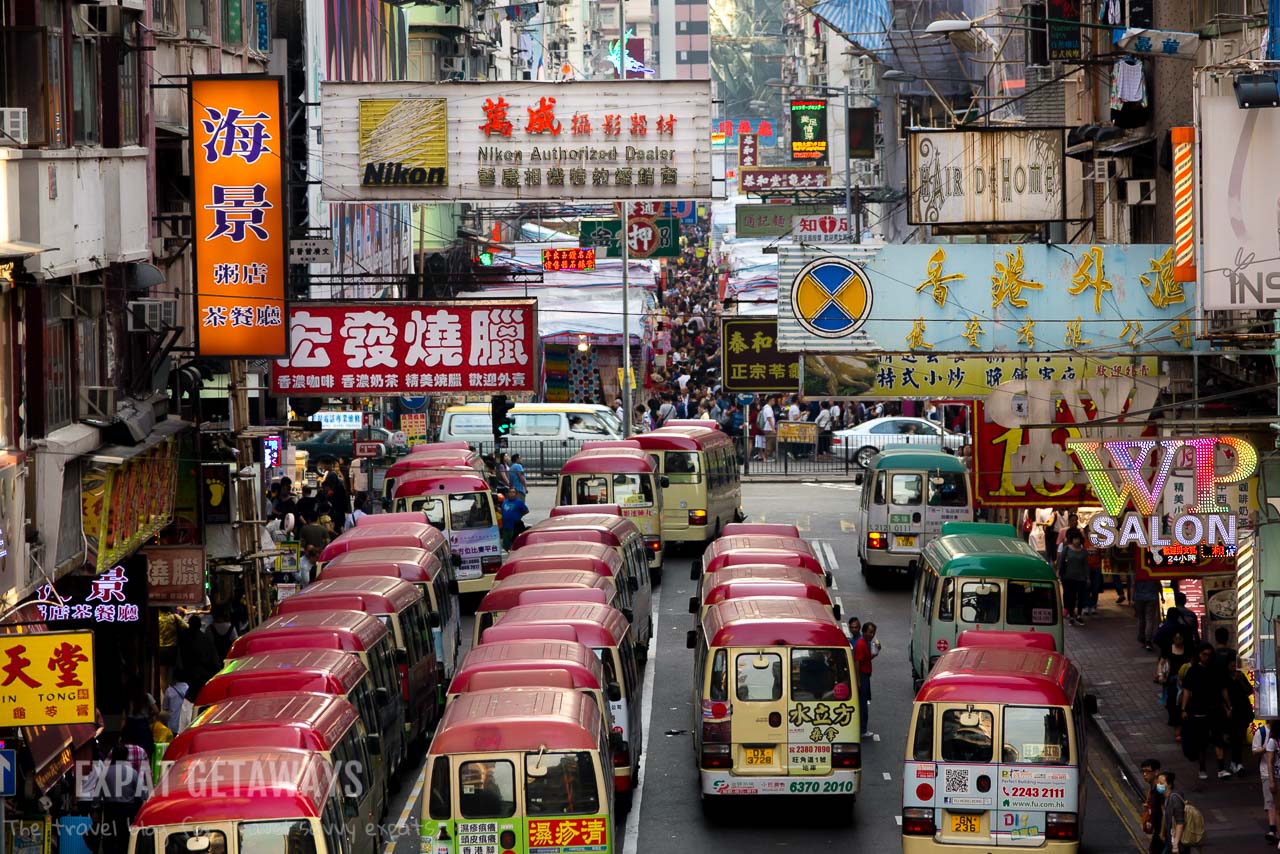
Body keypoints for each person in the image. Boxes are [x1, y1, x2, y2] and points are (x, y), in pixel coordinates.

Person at [1180, 642, 1231, 781]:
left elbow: (1223, 689)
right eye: (1204, 654)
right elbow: (1186, 691)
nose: (1207, 657)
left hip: (1215, 709)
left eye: (1209, 655)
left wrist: (1228, 706)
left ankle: (1221, 769)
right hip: (1199, 710)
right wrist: (1183, 709)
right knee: (1201, 743)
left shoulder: (1217, 670)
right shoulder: (1193, 671)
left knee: (1218, 740)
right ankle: (1202, 769)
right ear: (1199, 655)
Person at [1224, 654, 1254, 777]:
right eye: (1231, 665)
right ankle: (1236, 762)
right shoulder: (1225, 679)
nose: (1233, 668)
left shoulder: (1241, 676)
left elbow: (1249, 690)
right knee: (1235, 738)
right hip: (1232, 712)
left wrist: (1241, 680)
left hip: (1242, 711)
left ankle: (1236, 762)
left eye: (1235, 665)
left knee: (1239, 737)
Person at [1252, 717, 1278, 843]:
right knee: (1270, 802)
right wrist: (1265, 748)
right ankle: (1273, 829)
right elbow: (1254, 751)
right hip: (1266, 772)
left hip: (1276, 772)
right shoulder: (1261, 732)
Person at [1056, 530, 1090, 625]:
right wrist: (1058, 572)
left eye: (1078, 539)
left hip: (1081, 578)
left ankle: (1079, 615)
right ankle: (1071, 615)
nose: (1077, 541)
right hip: (1068, 578)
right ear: (1072, 539)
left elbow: (1085, 565)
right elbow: (1061, 561)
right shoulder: (1066, 549)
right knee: (1071, 597)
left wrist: (1087, 577)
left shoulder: (1083, 552)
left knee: (1080, 597)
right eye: (1075, 539)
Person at [853, 622, 878, 739]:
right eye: (870, 632)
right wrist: (858, 681)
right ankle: (863, 729)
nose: (872, 635)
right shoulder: (861, 644)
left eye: (873, 632)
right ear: (864, 632)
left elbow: (866, 658)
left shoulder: (866, 643)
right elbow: (857, 663)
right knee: (863, 704)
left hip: (865, 676)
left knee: (864, 702)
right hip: (862, 676)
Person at [1156, 771, 1190, 854]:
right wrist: (1162, 832)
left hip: (1178, 843)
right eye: (1158, 782)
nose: (1158, 785)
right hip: (1170, 840)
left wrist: (1175, 845)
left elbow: (1180, 822)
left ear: (1169, 784)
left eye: (1161, 783)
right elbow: (1165, 814)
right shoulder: (1165, 797)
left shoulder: (1174, 799)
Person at [1141, 758, 1164, 854]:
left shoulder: (1160, 791)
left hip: (1163, 833)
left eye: (1148, 771)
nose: (1144, 774)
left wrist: (1162, 833)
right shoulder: (1153, 789)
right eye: (1143, 771)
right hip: (1157, 831)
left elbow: (1165, 812)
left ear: (1156, 772)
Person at [1134, 576, 1164, 651]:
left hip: (1139, 597)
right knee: (1150, 619)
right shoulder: (1152, 571)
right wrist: (1162, 595)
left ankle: (1142, 637)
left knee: (1141, 618)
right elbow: (1158, 584)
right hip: (1151, 597)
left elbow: (1133, 585)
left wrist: (1133, 598)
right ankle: (1148, 640)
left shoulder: (1138, 571)